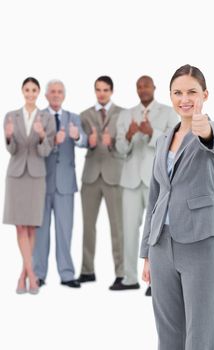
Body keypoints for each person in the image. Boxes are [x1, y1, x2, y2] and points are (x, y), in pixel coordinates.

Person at [140, 64, 214, 350]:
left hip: (199, 245)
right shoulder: (163, 139)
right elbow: (154, 198)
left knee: (200, 338)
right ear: (170, 96)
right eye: (178, 93)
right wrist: (146, 252)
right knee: (168, 337)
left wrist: (205, 129)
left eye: (192, 92)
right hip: (160, 247)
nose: (185, 99)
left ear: (205, 94)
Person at [113, 76, 178, 295]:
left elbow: (175, 144)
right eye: (139, 86)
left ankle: (155, 281)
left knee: (157, 232)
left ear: (154, 88)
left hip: (157, 180)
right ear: (136, 89)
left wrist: (152, 133)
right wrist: (129, 136)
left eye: (146, 85)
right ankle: (130, 277)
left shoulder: (168, 112)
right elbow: (119, 150)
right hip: (131, 180)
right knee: (129, 230)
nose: (143, 89)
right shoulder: (125, 114)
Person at [3, 77, 56, 294]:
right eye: (27, 89)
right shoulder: (10, 116)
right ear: (22, 91)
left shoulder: (46, 117)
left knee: (32, 226)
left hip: (36, 175)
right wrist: (7, 137)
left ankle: (24, 275)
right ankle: (31, 275)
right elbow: (12, 150)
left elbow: (46, 151)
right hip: (16, 176)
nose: (31, 93)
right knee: (19, 225)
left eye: (34, 90)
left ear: (38, 93)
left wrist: (42, 135)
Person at [33, 80, 87, 288]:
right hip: (42, 183)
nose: (56, 95)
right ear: (46, 95)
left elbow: (83, 142)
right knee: (41, 232)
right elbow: (33, 146)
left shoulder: (73, 118)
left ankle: (66, 274)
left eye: (59, 92)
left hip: (65, 184)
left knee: (65, 230)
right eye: (52, 92)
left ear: (64, 95)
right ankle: (39, 273)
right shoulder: (38, 117)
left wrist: (77, 137)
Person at [78, 76, 124, 289]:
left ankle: (121, 273)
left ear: (112, 91)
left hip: (114, 174)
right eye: (98, 90)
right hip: (90, 176)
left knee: (117, 226)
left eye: (105, 89)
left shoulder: (122, 114)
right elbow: (79, 140)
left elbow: (126, 145)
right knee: (88, 226)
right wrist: (89, 141)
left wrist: (112, 142)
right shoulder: (84, 115)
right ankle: (87, 271)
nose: (101, 93)